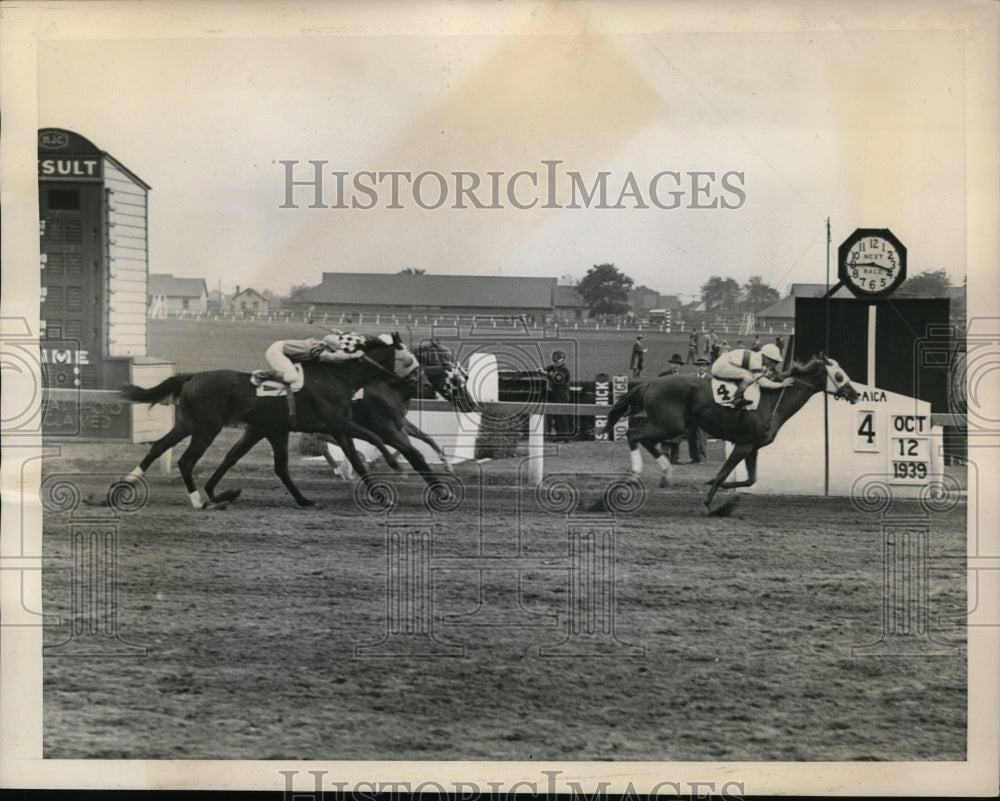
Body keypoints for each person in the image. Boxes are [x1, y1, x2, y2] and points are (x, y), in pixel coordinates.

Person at [264, 330, 366, 385]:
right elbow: (330, 357)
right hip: (276, 352)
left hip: (285, 350)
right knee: (293, 377)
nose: (341, 351)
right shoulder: (317, 348)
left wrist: (340, 333)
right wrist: (352, 356)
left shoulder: (325, 344)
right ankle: (263, 374)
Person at [710, 342, 792, 408]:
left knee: (749, 376)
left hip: (723, 364)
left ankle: (738, 394)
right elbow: (763, 383)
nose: (773, 364)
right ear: (764, 357)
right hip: (720, 367)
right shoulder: (755, 361)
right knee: (749, 376)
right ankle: (737, 398)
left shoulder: (757, 357)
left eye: (775, 362)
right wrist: (781, 384)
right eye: (772, 361)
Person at [544, 350, 572, 440]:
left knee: (562, 417)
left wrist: (546, 374)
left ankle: (565, 437)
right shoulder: (556, 367)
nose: (557, 361)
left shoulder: (564, 369)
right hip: (558, 395)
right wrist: (544, 370)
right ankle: (560, 436)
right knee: (558, 417)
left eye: (558, 359)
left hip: (562, 396)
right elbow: (549, 368)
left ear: (562, 360)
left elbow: (557, 379)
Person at [686, 358, 710, 462]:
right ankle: (694, 457)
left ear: (707, 367)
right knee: (691, 434)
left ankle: (702, 457)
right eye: (699, 365)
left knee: (702, 435)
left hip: (704, 411)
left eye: (704, 365)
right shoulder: (692, 378)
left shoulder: (710, 379)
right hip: (692, 411)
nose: (701, 368)